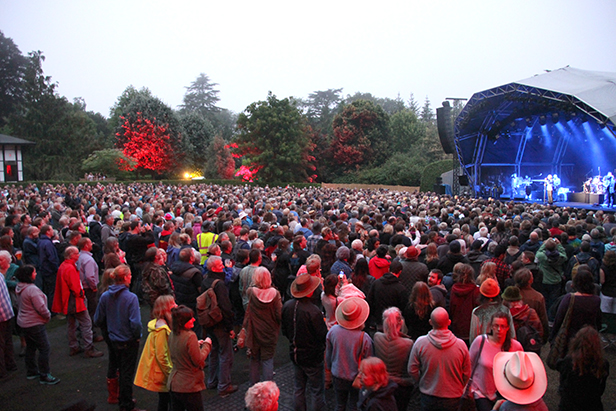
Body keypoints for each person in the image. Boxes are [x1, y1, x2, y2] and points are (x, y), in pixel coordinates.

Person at [94, 264, 143, 411]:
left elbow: (97, 319)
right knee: (127, 373)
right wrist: (137, 336)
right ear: (126, 277)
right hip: (128, 340)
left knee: (117, 368)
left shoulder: (105, 296)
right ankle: (126, 404)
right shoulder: (130, 298)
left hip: (113, 339)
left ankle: (118, 397)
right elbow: (135, 323)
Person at [408, 307, 471, 411]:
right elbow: (467, 372)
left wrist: (422, 382)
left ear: (430, 322)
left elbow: (412, 369)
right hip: (453, 396)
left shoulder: (420, 343)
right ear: (449, 322)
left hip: (428, 394)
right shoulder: (461, 346)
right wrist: (458, 386)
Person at [282, 273, 328, 411]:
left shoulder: (287, 306)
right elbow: (322, 335)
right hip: (312, 357)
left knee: (299, 388)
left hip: (295, 353)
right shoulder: (313, 312)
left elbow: (284, 330)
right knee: (316, 391)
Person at [51, 246, 103, 358]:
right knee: (86, 323)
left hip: (67, 301)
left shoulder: (63, 266)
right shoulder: (70, 268)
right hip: (75, 301)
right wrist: (81, 295)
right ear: (71, 255)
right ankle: (89, 348)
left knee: (71, 324)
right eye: (76, 254)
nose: (78, 255)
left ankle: (74, 346)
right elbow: (75, 286)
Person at [469, 311, 523, 411]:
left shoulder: (516, 347)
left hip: (505, 394)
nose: (499, 329)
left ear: (507, 328)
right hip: (481, 392)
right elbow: (469, 364)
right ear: (491, 327)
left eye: (503, 326)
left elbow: (521, 371)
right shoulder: (480, 341)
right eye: (496, 326)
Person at [326, 297, 373, 411]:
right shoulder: (364, 338)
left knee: (339, 404)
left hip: (337, 373)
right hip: (355, 377)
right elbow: (369, 361)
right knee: (354, 404)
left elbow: (328, 354)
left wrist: (329, 368)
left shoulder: (333, 331)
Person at [200, 255, 237, 397]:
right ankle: (224, 386)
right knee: (225, 354)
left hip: (209, 322)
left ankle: (212, 381)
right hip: (220, 323)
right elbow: (225, 307)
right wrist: (230, 327)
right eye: (220, 264)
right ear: (215, 267)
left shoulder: (205, 280)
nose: (223, 265)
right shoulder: (219, 284)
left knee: (213, 351)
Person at [14, 265, 59, 384]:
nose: (36, 274)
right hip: (34, 323)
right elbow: (41, 308)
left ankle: (32, 371)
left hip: (23, 322)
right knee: (44, 348)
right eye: (34, 273)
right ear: (28, 275)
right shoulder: (31, 290)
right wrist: (47, 316)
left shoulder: (20, 287)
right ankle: (45, 375)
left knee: (31, 347)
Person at [134, 295, 176, 411]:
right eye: (173, 304)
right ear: (165, 308)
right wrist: (170, 373)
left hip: (163, 373)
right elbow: (161, 355)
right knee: (167, 401)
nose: (176, 306)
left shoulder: (160, 326)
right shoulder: (162, 330)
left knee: (164, 400)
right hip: (164, 374)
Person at [167, 305, 212, 411]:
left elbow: (179, 350)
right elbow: (198, 361)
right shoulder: (190, 336)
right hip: (189, 385)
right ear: (183, 322)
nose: (194, 319)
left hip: (174, 383)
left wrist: (195, 345)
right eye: (190, 318)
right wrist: (207, 345)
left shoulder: (172, 334)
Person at [550, 269, 602, 360]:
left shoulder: (569, 298)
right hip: (588, 337)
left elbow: (559, 318)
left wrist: (552, 336)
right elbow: (598, 320)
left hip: (569, 335)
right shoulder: (596, 300)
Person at [242, 267, 282, 385]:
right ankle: (268, 388)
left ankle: (254, 386)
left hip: (254, 330)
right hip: (269, 331)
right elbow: (279, 314)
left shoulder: (251, 292)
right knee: (268, 359)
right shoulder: (275, 294)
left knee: (254, 358)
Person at [556, 326, 609, 411]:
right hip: (592, 405)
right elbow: (601, 389)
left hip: (569, 406)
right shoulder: (603, 364)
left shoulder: (569, 362)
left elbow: (563, 384)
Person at [373, 307, 413, 411]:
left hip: (381, 383)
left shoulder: (377, 337)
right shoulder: (408, 343)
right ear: (401, 323)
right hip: (400, 386)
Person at [469, 278, 515, 344]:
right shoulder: (506, 310)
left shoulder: (477, 312)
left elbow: (473, 338)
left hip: (484, 349)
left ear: (482, 295)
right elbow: (512, 335)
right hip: (503, 348)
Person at [448, 263, 480, 341]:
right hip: (472, 328)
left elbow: (451, 308)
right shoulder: (476, 291)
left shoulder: (454, 289)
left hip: (457, 327)